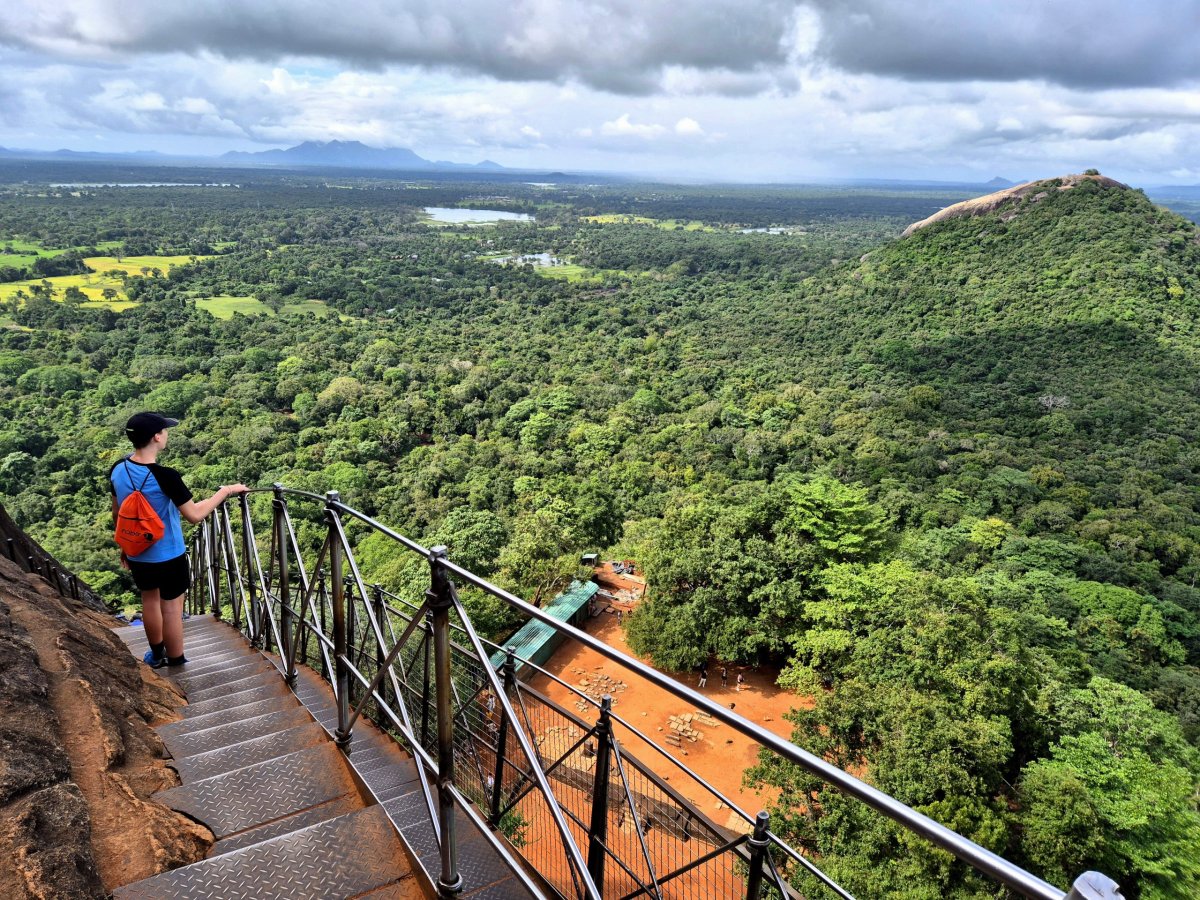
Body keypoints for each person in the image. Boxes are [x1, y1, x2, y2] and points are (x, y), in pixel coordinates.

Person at [109, 412, 248, 668]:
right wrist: (226, 491)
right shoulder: (166, 476)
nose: (166, 435)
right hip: (168, 553)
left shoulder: (118, 469)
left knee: (149, 600)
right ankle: (175, 660)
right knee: (172, 607)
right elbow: (194, 515)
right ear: (156, 437)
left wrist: (125, 546)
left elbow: (118, 513)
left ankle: (156, 655)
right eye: (165, 431)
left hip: (137, 550)